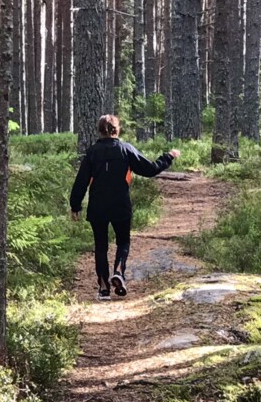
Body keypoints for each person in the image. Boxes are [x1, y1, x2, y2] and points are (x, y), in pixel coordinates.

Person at [69, 115, 180, 300]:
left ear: (99, 131)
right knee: (123, 242)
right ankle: (119, 272)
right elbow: (150, 169)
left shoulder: (92, 152)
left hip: (97, 207)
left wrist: (75, 205)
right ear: (117, 130)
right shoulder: (125, 149)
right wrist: (168, 157)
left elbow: (81, 181)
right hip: (120, 205)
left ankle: (103, 288)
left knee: (100, 246)